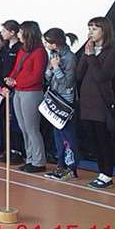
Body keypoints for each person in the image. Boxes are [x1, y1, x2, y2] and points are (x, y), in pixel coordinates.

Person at [77, 17, 115, 189]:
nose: (91, 32)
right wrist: (86, 55)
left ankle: (107, 174)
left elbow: (101, 77)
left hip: (101, 103)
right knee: (94, 140)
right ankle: (101, 172)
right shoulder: (89, 49)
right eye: (89, 28)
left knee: (103, 140)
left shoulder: (112, 52)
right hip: (87, 102)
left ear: (104, 30)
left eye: (94, 29)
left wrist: (92, 57)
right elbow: (79, 74)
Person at [5, 21, 48, 173]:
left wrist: (17, 81)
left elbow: (37, 76)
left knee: (32, 128)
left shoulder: (40, 52)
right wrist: (10, 79)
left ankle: (39, 160)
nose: (18, 34)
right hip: (19, 91)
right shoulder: (23, 50)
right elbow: (17, 68)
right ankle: (30, 158)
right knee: (23, 127)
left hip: (32, 92)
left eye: (21, 32)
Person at [43, 28, 79, 182]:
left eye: (47, 42)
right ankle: (60, 165)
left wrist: (57, 68)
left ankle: (72, 168)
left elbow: (67, 83)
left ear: (55, 43)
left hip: (65, 101)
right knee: (57, 134)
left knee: (67, 135)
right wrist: (51, 68)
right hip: (54, 98)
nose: (46, 45)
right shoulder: (53, 55)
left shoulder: (70, 57)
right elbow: (47, 77)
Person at [0, 20, 25, 165]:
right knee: (3, 117)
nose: (2, 34)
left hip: (15, 88)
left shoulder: (21, 48)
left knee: (15, 120)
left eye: (4, 31)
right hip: (5, 89)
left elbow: (19, 69)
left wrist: (12, 84)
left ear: (12, 32)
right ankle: (6, 148)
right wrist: (2, 86)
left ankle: (17, 150)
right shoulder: (4, 48)